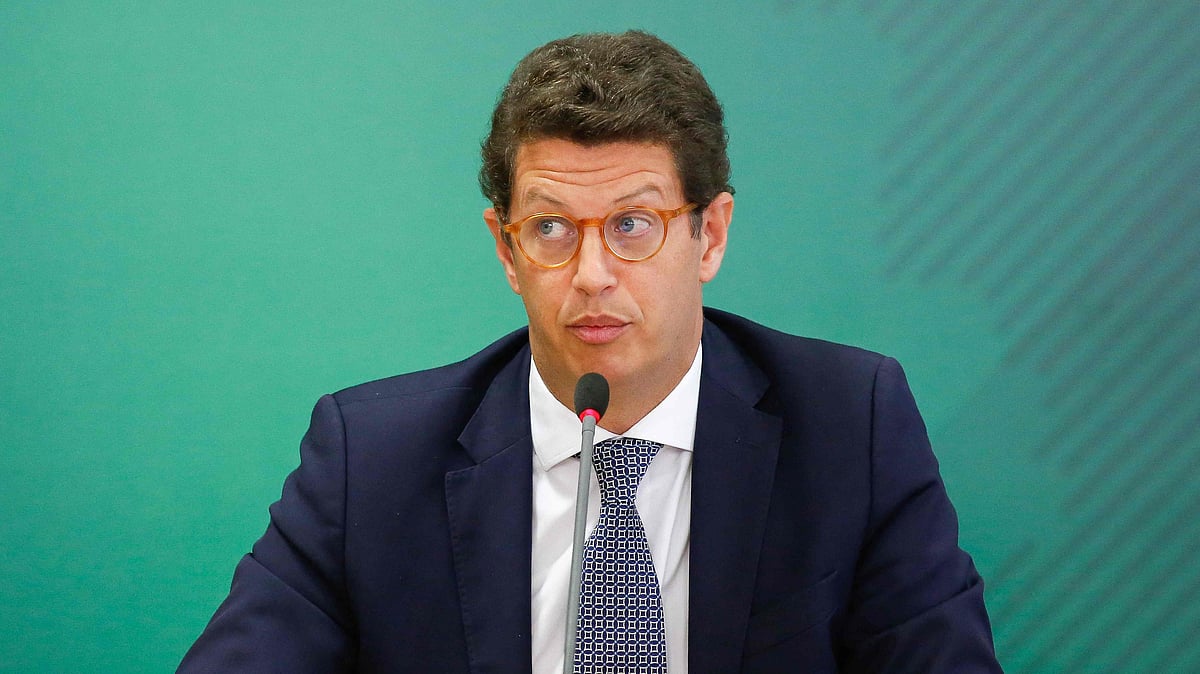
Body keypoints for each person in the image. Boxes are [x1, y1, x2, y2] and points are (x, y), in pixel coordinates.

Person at [178, 30, 1001, 673]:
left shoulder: (849, 427)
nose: (592, 275)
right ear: (507, 250)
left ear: (710, 234)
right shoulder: (373, 461)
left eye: (633, 225)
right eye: (551, 228)